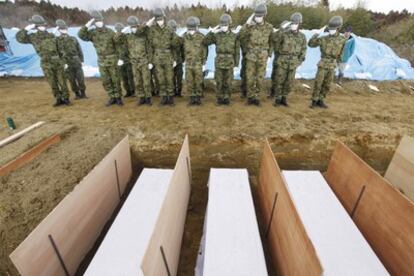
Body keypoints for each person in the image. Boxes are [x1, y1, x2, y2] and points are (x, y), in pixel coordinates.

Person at [16, 15, 70, 106]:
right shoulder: (33, 37)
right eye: (40, 25)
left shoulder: (51, 35)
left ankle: (66, 98)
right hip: (45, 63)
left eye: (43, 25)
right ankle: (58, 98)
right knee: (52, 82)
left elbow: (60, 49)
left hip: (57, 61)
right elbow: (20, 39)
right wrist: (26, 29)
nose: (43, 27)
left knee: (62, 81)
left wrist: (64, 61)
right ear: (36, 27)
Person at [78, 11, 123, 106]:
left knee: (115, 79)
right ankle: (112, 97)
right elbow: (81, 35)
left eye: (100, 20)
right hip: (101, 61)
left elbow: (118, 45)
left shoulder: (110, 32)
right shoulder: (92, 33)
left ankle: (118, 98)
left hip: (112, 59)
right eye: (97, 21)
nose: (99, 22)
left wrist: (120, 58)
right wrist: (88, 24)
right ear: (94, 22)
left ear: (103, 21)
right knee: (106, 80)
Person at [239, 3, 273, 106]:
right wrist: (247, 24)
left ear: (264, 15)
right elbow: (241, 36)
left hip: (263, 56)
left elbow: (271, 42)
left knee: (260, 78)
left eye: (260, 16)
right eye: (257, 16)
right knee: (249, 78)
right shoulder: (250, 27)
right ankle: (250, 97)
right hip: (251, 56)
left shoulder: (269, 27)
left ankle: (257, 97)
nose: (258, 18)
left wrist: (270, 54)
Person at [308, 16, 346, 108]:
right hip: (323, 63)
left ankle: (321, 100)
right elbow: (311, 44)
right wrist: (316, 34)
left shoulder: (342, 40)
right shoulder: (323, 39)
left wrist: (340, 64)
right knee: (318, 82)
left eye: (333, 29)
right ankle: (314, 100)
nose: (331, 30)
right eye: (330, 29)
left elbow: (341, 52)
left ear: (338, 28)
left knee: (327, 84)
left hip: (333, 65)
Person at [204, 14, 240, 105]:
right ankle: (219, 99)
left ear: (229, 25)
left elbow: (237, 50)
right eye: (222, 25)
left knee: (228, 82)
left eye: (225, 25)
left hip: (230, 61)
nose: (224, 27)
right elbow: (205, 42)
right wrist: (212, 31)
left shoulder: (234, 36)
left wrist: (236, 64)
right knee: (219, 81)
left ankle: (227, 98)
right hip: (219, 61)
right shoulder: (217, 35)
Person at [273, 13, 307, 107]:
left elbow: (303, 50)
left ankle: (284, 98)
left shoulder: (302, 37)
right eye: (292, 23)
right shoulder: (284, 34)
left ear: (299, 24)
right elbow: (275, 40)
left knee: (289, 82)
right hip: (283, 60)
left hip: (293, 63)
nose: (293, 25)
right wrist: (281, 30)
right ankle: (278, 98)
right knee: (279, 80)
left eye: (296, 23)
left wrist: (299, 61)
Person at [147, 8, 179, 106]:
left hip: (168, 57)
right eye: (157, 19)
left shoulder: (169, 29)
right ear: (155, 20)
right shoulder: (152, 30)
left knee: (169, 78)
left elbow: (174, 45)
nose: (159, 21)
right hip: (157, 58)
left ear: (164, 18)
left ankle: (170, 98)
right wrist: (150, 60)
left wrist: (175, 59)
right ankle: (164, 98)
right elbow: (150, 46)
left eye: (161, 19)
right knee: (160, 79)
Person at [123, 16, 153, 105]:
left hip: (144, 62)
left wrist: (150, 61)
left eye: (135, 27)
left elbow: (149, 49)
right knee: (138, 82)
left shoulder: (143, 36)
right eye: (131, 27)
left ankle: (148, 98)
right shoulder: (128, 37)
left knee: (146, 81)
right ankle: (141, 98)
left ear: (137, 26)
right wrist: (122, 31)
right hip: (134, 63)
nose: (133, 29)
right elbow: (117, 39)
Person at [55, 19, 87, 100]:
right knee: (71, 80)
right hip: (66, 63)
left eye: (65, 28)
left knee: (80, 78)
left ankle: (83, 93)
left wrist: (82, 60)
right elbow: (57, 53)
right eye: (62, 29)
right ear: (58, 30)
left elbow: (79, 49)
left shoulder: (73, 39)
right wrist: (62, 63)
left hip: (76, 61)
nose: (64, 30)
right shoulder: (57, 40)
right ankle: (77, 94)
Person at [182, 16, 207, 105]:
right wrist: (183, 60)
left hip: (198, 63)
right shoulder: (184, 37)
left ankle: (198, 98)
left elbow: (204, 50)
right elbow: (182, 49)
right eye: (190, 29)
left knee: (198, 81)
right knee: (189, 81)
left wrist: (204, 63)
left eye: (193, 29)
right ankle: (192, 98)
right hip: (188, 63)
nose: (191, 31)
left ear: (197, 27)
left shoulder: (201, 37)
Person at [270, 20, 291, 98]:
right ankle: (273, 92)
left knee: (283, 77)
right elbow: (274, 38)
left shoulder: (289, 36)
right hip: (277, 57)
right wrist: (281, 30)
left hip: (284, 59)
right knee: (274, 75)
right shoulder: (278, 34)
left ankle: (280, 94)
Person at [114, 22, 135, 97]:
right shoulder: (115, 38)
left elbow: (127, 48)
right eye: (117, 30)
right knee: (124, 78)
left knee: (131, 77)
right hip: (120, 62)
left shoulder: (127, 37)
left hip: (127, 60)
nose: (118, 31)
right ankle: (128, 91)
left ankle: (133, 91)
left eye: (120, 30)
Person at [167, 20, 184, 97]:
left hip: (177, 60)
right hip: (171, 60)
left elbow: (182, 49)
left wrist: (182, 59)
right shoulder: (166, 39)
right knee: (172, 77)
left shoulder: (179, 38)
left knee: (178, 77)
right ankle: (175, 91)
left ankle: (178, 91)